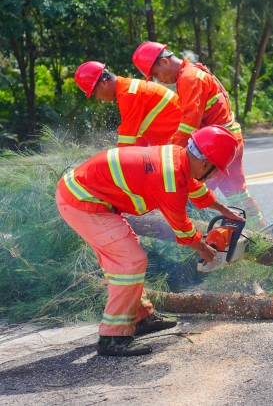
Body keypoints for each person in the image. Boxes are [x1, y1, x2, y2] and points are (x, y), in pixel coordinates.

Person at [56, 126, 244, 356]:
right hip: (83, 203)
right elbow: (183, 230)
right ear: (206, 165)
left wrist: (224, 211)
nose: (215, 176)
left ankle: (141, 316)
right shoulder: (170, 180)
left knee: (126, 255)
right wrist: (206, 252)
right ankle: (112, 338)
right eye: (216, 171)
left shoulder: (179, 156)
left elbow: (195, 188)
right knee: (130, 262)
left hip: (88, 196)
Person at [131, 42, 266, 229]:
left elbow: (189, 124)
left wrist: (169, 155)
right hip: (230, 140)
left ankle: (208, 237)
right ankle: (260, 231)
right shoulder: (194, 72)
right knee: (237, 194)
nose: (158, 80)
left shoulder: (189, 78)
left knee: (193, 193)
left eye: (155, 74)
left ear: (163, 62)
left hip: (216, 146)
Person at [74, 61, 182, 147]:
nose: (97, 97)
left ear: (104, 83)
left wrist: (116, 160)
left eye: (95, 93)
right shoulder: (128, 90)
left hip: (180, 141)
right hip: (177, 140)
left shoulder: (129, 95)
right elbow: (139, 138)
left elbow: (126, 143)